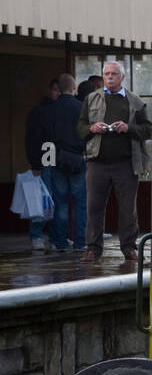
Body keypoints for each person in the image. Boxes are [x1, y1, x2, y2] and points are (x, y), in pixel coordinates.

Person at [77, 61, 151, 265]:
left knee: (128, 208)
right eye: (107, 74)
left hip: (126, 164)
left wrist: (128, 128)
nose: (110, 77)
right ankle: (93, 249)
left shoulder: (134, 101)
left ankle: (129, 248)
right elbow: (80, 128)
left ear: (122, 77)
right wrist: (92, 128)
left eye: (114, 74)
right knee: (94, 206)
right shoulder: (92, 99)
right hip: (97, 162)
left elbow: (147, 129)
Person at [45, 73, 88, 251]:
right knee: (80, 203)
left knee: (60, 202)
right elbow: (87, 133)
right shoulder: (81, 107)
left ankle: (60, 242)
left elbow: (46, 136)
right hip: (78, 159)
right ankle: (80, 242)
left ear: (59, 88)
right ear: (74, 87)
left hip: (57, 159)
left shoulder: (50, 109)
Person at [23, 78, 61, 251]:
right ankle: (37, 235)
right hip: (46, 159)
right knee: (45, 199)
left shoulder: (59, 111)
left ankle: (54, 237)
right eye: (55, 90)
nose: (58, 93)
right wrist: (35, 164)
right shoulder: (39, 112)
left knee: (56, 200)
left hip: (58, 160)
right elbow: (31, 139)